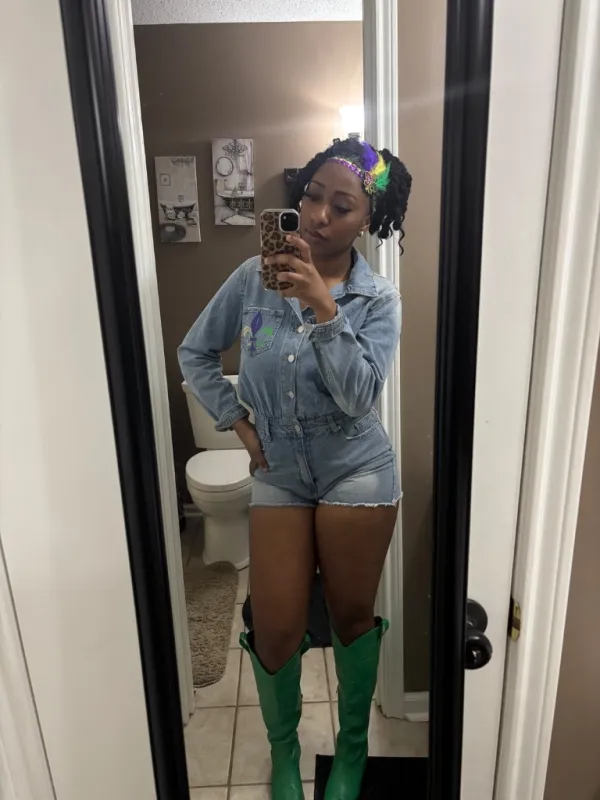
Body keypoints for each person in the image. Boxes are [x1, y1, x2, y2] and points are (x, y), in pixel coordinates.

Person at [179, 138, 412, 800]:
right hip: (278, 465)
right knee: (277, 627)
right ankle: (284, 755)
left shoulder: (378, 300)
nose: (317, 216)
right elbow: (194, 352)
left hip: (355, 465)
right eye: (312, 195)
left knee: (349, 618)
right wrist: (237, 421)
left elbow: (359, 398)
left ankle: (352, 751)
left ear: (367, 220)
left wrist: (323, 307)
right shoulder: (250, 279)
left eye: (342, 206)